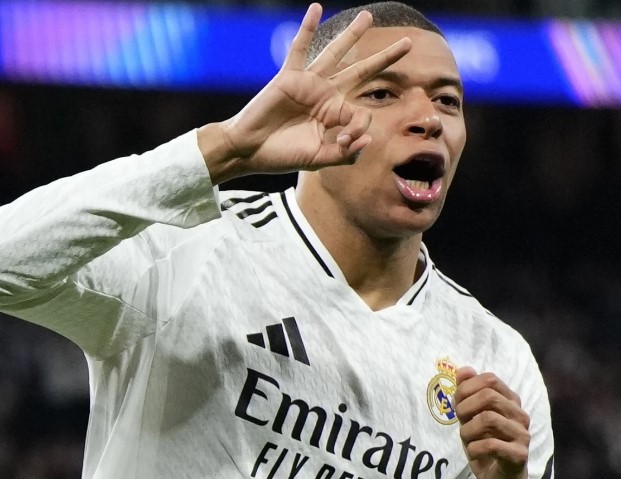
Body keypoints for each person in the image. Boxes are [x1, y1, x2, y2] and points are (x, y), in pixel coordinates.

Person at [0, 2, 554, 478]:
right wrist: (223, 150)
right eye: (383, 93)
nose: (428, 119)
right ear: (313, 114)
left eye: (447, 101)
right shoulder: (187, 249)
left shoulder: (497, 360)